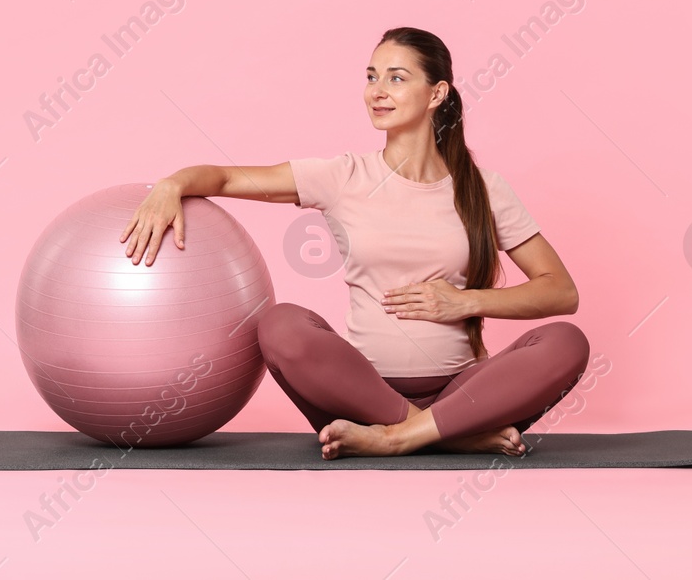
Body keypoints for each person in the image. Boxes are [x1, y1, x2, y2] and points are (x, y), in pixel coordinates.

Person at [119, 27, 589, 458]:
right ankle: (441, 434)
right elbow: (223, 177)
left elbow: (560, 291)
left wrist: (463, 302)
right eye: (371, 77)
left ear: (436, 94)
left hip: (467, 392)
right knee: (280, 323)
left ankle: (400, 437)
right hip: (361, 394)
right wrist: (171, 184)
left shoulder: (484, 188)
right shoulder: (341, 176)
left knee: (566, 343)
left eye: (397, 78)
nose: (377, 91)